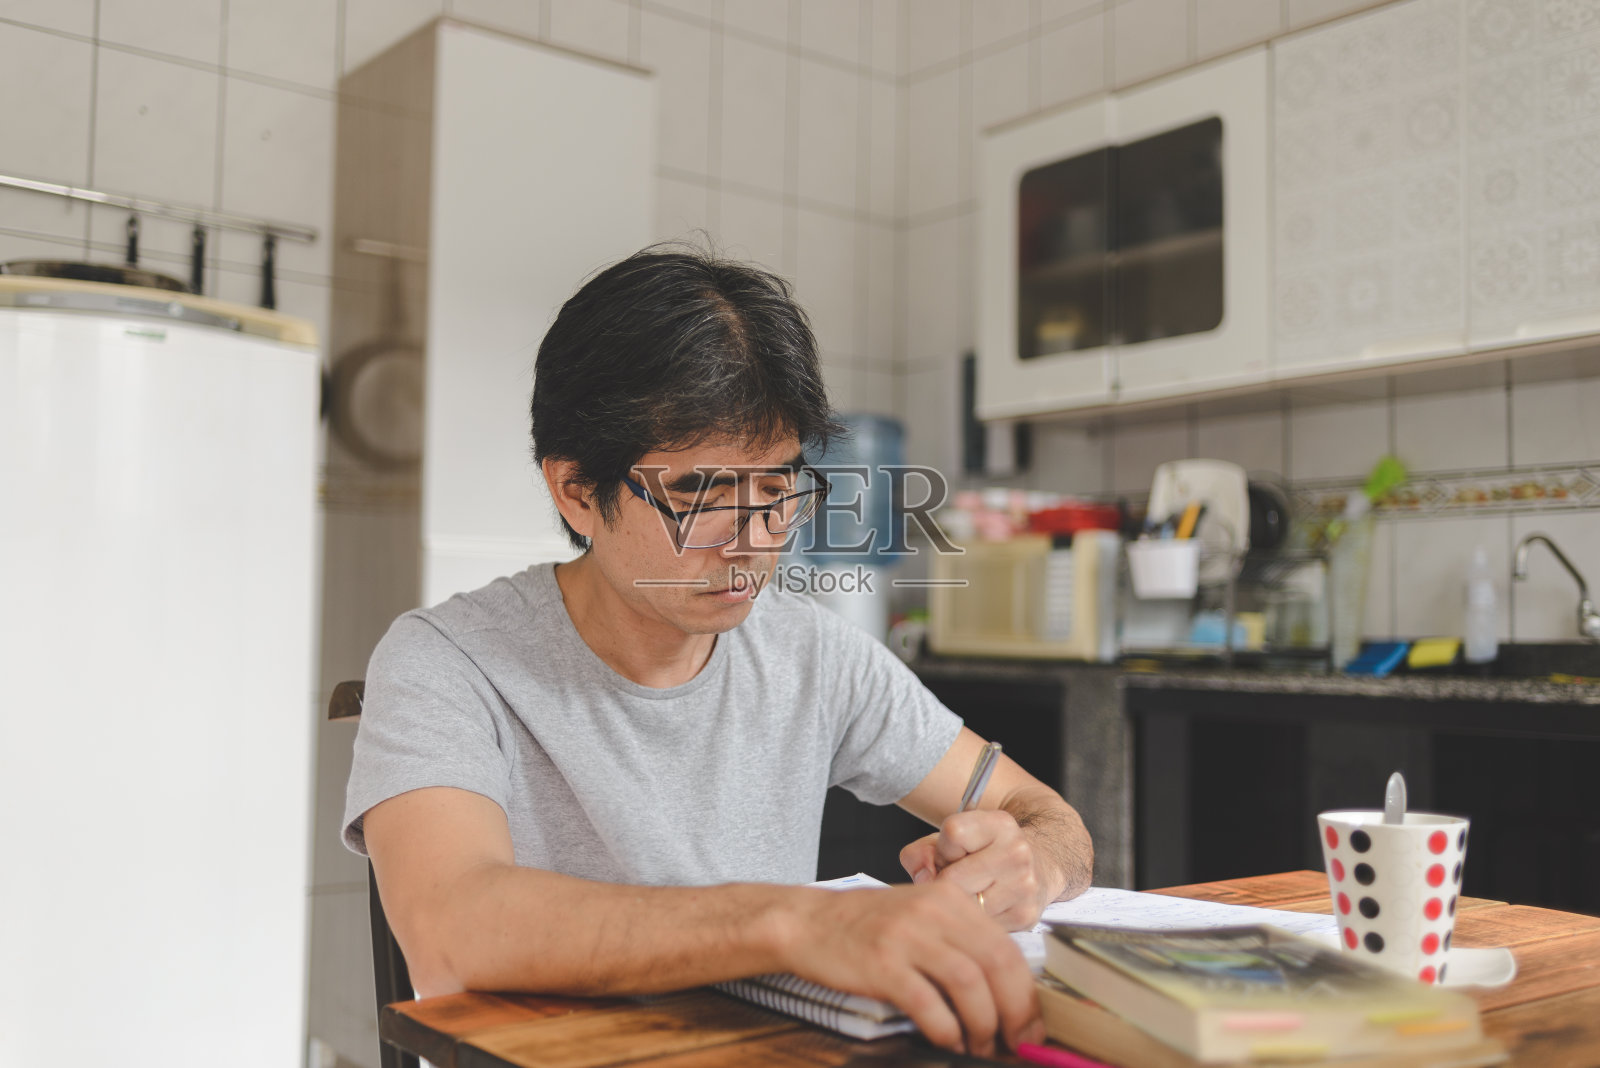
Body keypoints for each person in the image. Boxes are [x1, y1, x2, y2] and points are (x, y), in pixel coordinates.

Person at [343, 244, 1093, 1057]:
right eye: (700, 496)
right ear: (575, 490)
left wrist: (1032, 866)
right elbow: (455, 930)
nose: (754, 543)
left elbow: (1043, 815)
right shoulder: (447, 662)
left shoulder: (812, 654)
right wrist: (794, 922)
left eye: (776, 490)